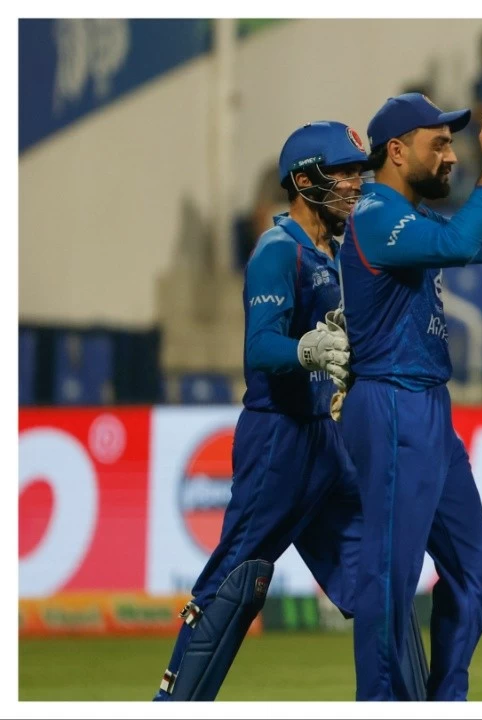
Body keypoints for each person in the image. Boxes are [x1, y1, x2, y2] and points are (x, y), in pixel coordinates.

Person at [153, 121, 390, 700]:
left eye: (361, 172)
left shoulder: (336, 253)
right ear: (305, 181)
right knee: (237, 583)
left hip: (323, 441)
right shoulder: (276, 251)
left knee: (379, 582)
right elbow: (259, 346)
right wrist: (307, 348)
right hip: (277, 438)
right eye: (345, 173)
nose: (357, 185)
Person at [339, 93, 482, 701]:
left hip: (429, 410)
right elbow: (464, 244)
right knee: (391, 576)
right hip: (389, 403)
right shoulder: (375, 213)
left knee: (473, 569)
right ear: (396, 150)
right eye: (438, 143)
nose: (451, 155)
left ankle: (446, 700)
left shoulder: (409, 217)